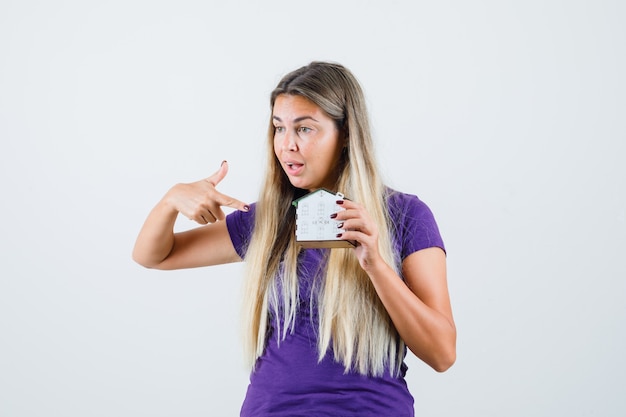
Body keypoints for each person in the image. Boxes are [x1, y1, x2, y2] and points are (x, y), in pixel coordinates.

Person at [133, 61, 456, 416]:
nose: (287, 145)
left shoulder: (405, 215)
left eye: (304, 129)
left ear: (346, 134)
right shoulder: (269, 220)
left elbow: (442, 353)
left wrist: (375, 265)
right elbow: (154, 256)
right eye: (278, 128)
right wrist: (171, 201)